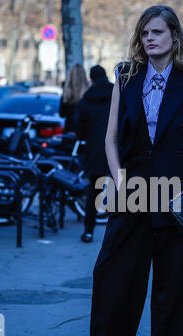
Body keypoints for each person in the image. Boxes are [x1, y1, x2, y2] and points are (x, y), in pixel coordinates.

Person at [61, 5, 183, 336]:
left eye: (157, 33)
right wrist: (117, 178)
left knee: (172, 286)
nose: (149, 38)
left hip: (181, 192)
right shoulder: (126, 75)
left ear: (174, 37)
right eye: (145, 33)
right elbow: (110, 137)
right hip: (132, 191)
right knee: (112, 278)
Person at [74, 65, 113, 243]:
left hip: (95, 150)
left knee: (93, 191)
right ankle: (116, 234)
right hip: (117, 149)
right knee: (121, 191)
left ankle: (88, 230)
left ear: (91, 79)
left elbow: (79, 128)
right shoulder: (116, 93)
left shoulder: (86, 99)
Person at [59, 64, 89, 134]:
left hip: (69, 131)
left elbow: (61, 114)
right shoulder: (88, 94)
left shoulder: (66, 94)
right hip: (84, 133)